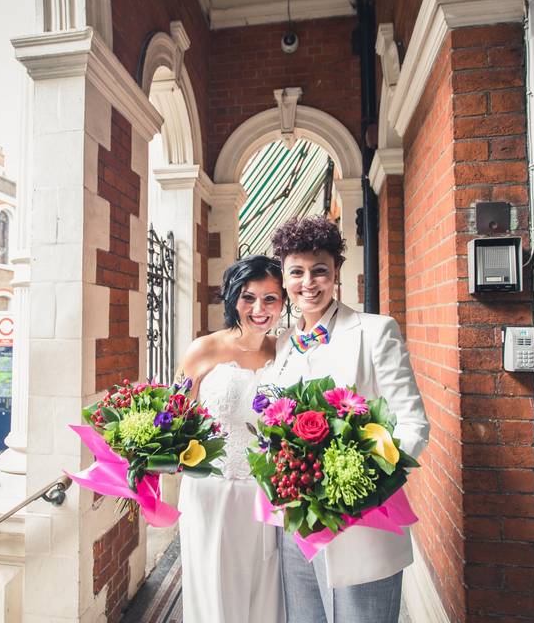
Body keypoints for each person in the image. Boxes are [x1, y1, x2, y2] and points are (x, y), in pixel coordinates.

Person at [264, 216, 430, 623]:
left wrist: (357, 486)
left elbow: (413, 426)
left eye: (319, 270)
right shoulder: (283, 343)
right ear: (284, 278)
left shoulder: (375, 331)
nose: (308, 282)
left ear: (336, 272)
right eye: (297, 272)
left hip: (363, 525)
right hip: (296, 526)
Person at [176, 254, 287, 623]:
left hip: (268, 494)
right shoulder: (203, 350)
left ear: (283, 302)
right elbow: (175, 422)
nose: (259, 308)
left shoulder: (285, 352)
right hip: (212, 491)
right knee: (216, 596)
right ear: (232, 298)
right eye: (248, 297)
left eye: (270, 298)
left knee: (265, 593)